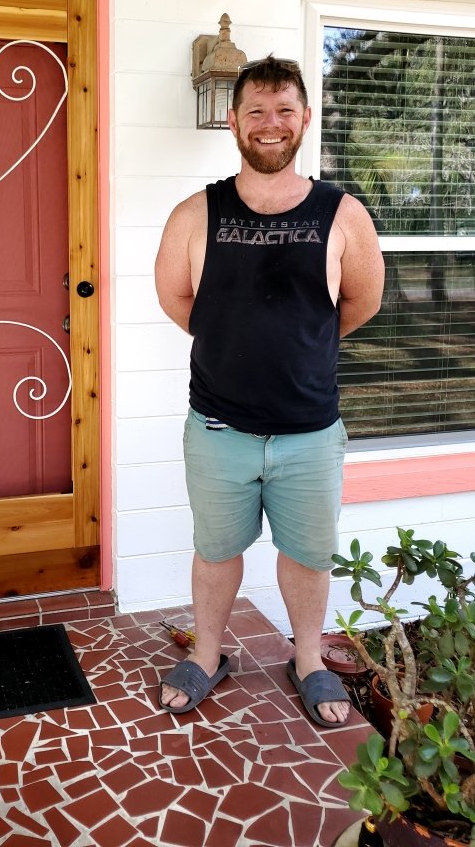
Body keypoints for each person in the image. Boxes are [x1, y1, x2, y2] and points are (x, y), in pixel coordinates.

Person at [154, 55, 384, 727]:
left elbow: (362, 301)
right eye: (256, 110)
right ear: (233, 121)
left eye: (284, 109)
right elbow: (177, 298)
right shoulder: (197, 214)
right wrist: (234, 337)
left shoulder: (343, 215)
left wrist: (297, 344)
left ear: (305, 119)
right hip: (219, 429)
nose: (270, 123)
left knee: (308, 559)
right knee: (216, 552)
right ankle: (207, 654)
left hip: (310, 432)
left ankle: (308, 660)